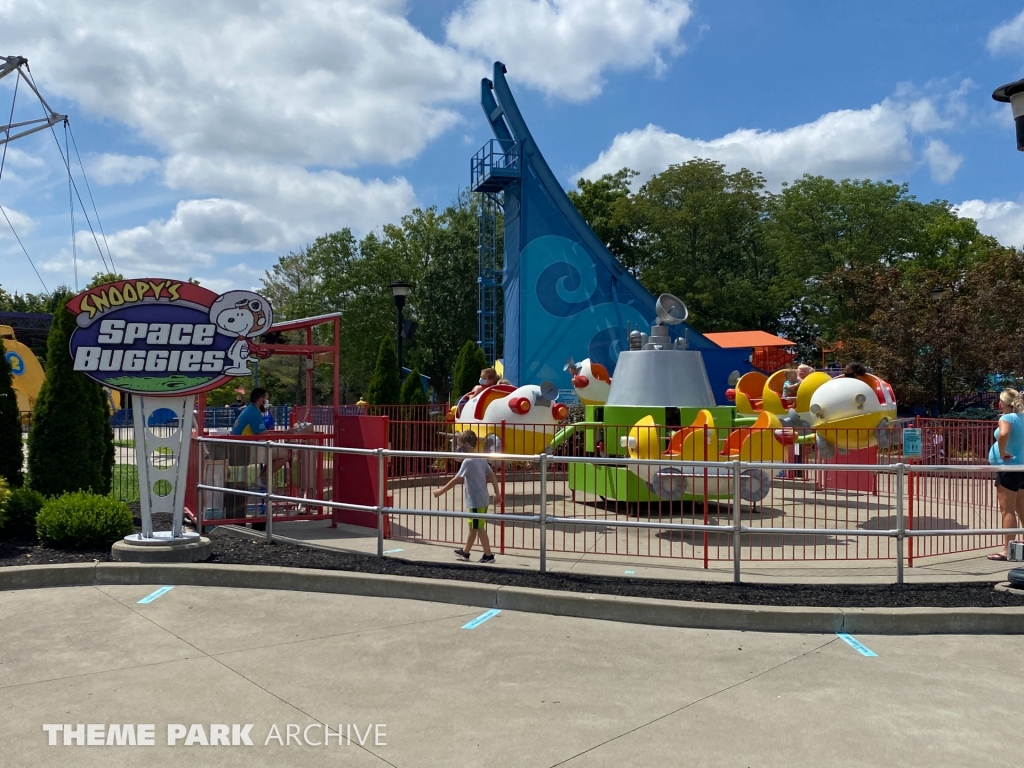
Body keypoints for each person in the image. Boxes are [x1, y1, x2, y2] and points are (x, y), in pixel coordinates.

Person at [433, 431, 502, 564]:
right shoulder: (480, 458)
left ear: (466, 444)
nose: (459, 448)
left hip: (476, 500)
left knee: (479, 527)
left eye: (460, 445)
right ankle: (466, 552)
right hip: (482, 499)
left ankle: (488, 555)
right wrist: (496, 492)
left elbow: (457, 479)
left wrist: (441, 491)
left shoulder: (468, 461)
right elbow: (492, 474)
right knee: (473, 526)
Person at [987, 388, 1024, 561]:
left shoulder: (1006, 418)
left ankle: (1008, 550)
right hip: (1022, 468)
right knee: (1022, 508)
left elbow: (1003, 434)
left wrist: (1001, 453)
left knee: (1007, 510)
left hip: (1009, 468)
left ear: (1002, 404)